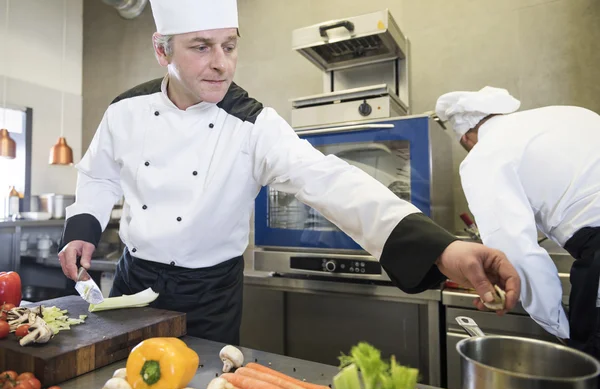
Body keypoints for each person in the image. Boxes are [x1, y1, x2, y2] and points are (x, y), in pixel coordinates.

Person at [58, 0, 520, 345]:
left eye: (230, 45)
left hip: (211, 295)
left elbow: (328, 181)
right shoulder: (125, 111)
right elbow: (100, 175)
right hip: (133, 282)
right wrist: (83, 227)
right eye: (201, 47)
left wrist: (442, 248)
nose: (222, 63)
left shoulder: (253, 124)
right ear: (162, 52)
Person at [435, 86, 600, 357]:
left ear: (466, 138)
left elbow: (515, 252)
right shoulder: (569, 115)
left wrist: (561, 329)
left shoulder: (484, 153)